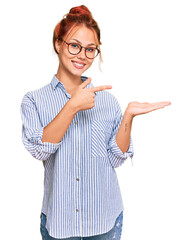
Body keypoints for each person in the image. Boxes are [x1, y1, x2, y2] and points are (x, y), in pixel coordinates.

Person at [20, 5, 171, 240]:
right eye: (74, 45)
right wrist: (72, 105)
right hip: (60, 225)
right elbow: (39, 149)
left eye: (91, 49)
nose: (82, 55)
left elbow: (115, 157)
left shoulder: (107, 101)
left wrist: (128, 116)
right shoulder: (34, 100)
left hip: (105, 221)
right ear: (58, 44)